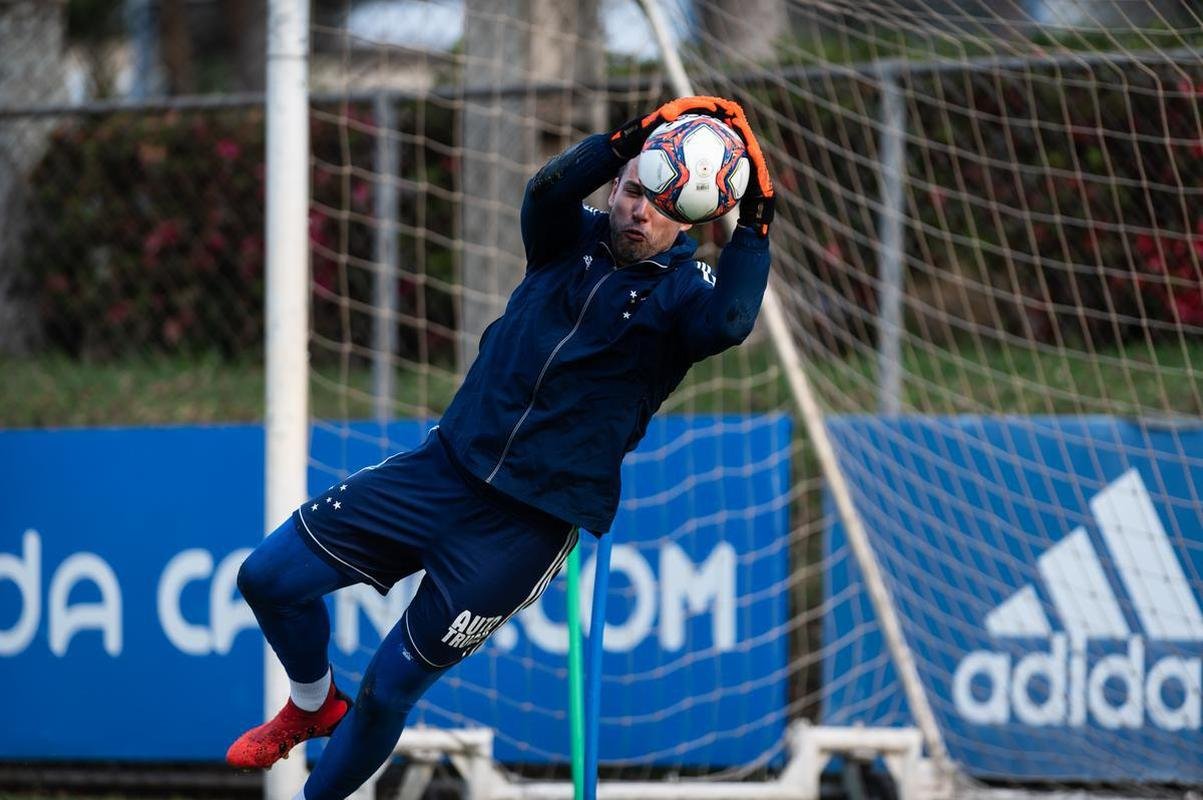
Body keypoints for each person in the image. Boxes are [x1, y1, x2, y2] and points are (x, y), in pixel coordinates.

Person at [225, 96, 775, 800]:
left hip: (524, 529)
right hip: (441, 470)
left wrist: (757, 217)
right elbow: (545, 188)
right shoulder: (562, 239)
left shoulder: (682, 297)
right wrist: (627, 138)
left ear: (690, 219)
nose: (639, 210)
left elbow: (732, 321)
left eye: (662, 204)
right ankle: (310, 705)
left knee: (389, 687)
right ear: (616, 185)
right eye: (633, 190)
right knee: (266, 577)